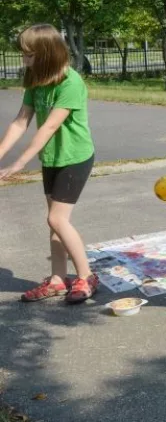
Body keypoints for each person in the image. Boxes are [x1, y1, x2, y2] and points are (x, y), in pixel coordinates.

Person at [0, 24, 99, 304]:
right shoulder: (35, 79)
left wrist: (19, 162)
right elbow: (21, 121)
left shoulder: (71, 82)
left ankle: (86, 276)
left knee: (57, 218)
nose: (24, 60)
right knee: (55, 223)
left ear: (46, 53)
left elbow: (50, 127)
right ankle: (58, 280)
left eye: (29, 55)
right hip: (52, 158)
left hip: (75, 158)